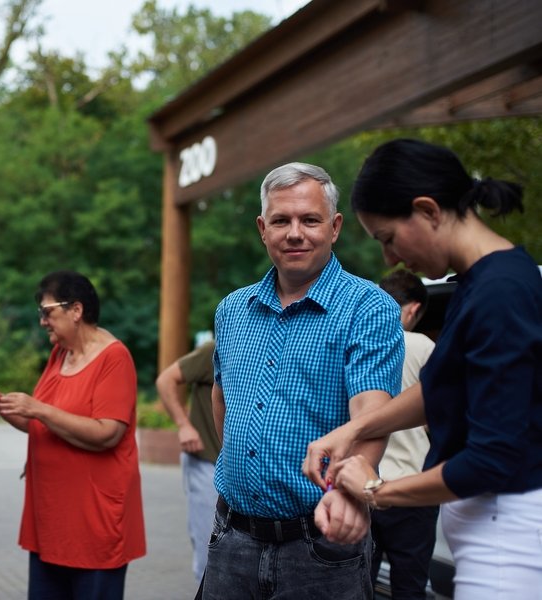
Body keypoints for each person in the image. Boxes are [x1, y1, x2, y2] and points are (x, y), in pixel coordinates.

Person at [303, 138, 542, 599]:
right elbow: (440, 387)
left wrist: (377, 490)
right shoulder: (480, 282)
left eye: (388, 239)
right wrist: (354, 430)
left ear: (428, 210)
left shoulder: (501, 293)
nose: (389, 259)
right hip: (490, 532)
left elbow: (492, 459)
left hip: (506, 540)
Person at [202, 162, 404, 600]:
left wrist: (353, 489)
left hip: (321, 545)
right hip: (232, 538)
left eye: (309, 220)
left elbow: (371, 414)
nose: (295, 233)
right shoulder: (232, 310)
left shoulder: (368, 307)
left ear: (334, 227)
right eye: (281, 220)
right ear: (262, 228)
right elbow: (223, 398)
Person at [0, 270, 145, 600]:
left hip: (93, 524)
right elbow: (44, 425)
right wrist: (6, 408)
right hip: (51, 522)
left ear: (76, 310)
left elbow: (107, 433)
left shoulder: (114, 358)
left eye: (47, 312)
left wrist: (37, 408)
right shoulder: (60, 355)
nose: (42, 322)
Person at [372, 270, 437, 599]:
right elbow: (440, 413)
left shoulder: (362, 341)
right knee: (409, 586)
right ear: (412, 309)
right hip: (412, 489)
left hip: (364, 485)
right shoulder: (423, 345)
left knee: (359, 582)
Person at [155, 337, 219, 583]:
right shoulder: (215, 347)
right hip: (205, 463)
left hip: (235, 470)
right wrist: (184, 425)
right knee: (208, 556)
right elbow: (166, 379)